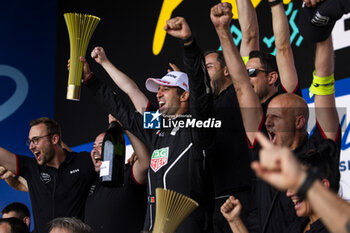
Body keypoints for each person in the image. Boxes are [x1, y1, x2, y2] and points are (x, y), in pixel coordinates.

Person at [210, 2, 340, 232]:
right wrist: (223, 31)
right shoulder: (262, 148)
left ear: (300, 121)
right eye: (266, 116)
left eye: (275, 117)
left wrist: (322, 30)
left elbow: (324, 81)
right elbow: (240, 87)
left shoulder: (321, 148)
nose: (266, 122)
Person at [80, 39, 214, 232]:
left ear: (184, 95)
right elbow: (122, 110)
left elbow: (201, 94)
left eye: (165, 89)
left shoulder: (198, 126)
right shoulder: (158, 128)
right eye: (158, 89)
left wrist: (189, 44)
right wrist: (90, 81)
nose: (158, 94)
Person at [163, 8, 258, 231]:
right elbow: (196, 90)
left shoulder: (239, 92)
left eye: (209, 67)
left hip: (244, 197)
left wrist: (222, 27)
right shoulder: (202, 110)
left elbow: (250, 37)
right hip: (211, 207)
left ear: (227, 71)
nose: (204, 72)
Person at [0, 117, 97, 233]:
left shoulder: (83, 161)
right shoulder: (31, 168)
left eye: (35, 140)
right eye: (29, 141)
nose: (31, 146)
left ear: (54, 139)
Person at [252, 133, 350, 233]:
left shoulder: (332, 229)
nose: (288, 193)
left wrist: (302, 180)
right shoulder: (297, 225)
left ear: (324, 186)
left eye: (296, 186)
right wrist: (235, 221)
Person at [84, 115, 149, 233]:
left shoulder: (128, 173)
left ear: (113, 148)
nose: (94, 150)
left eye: (102, 145)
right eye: (93, 146)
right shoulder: (91, 182)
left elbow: (145, 163)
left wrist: (124, 125)